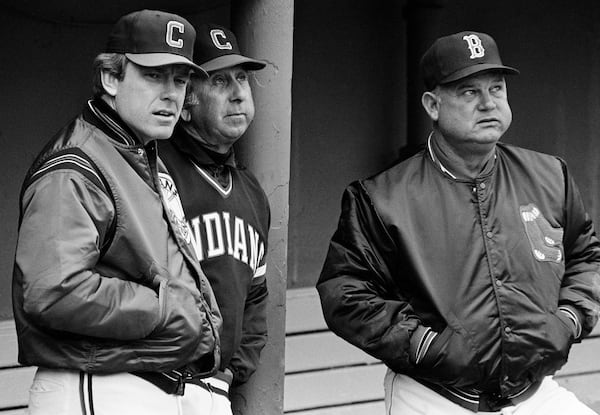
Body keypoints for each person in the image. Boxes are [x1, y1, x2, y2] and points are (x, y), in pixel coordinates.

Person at [317, 31, 600, 414]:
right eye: (469, 92)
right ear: (433, 105)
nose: (488, 103)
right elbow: (345, 293)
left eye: (496, 89)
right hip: (434, 395)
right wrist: (422, 344)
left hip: (534, 392)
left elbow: (585, 256)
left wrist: (568, 319)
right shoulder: (382, 197)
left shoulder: (550, 175)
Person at [12, 9, 225, 415]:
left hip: (148, 382)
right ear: (111, 78)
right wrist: (166, 307)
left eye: (179, 80)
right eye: (153, 75)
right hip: (98, 384)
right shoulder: (77, 164)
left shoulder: (141, 156)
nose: (171, 93)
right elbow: (53, 291)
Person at [158, 23, 270, 413]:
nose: (239, 93)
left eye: (242, 78)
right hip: (152, 384)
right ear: (186, 102)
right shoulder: (154, 172)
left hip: (214, 389)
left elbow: (255, 297)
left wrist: (231, 372)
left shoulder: (252, 192)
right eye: (220, 81)